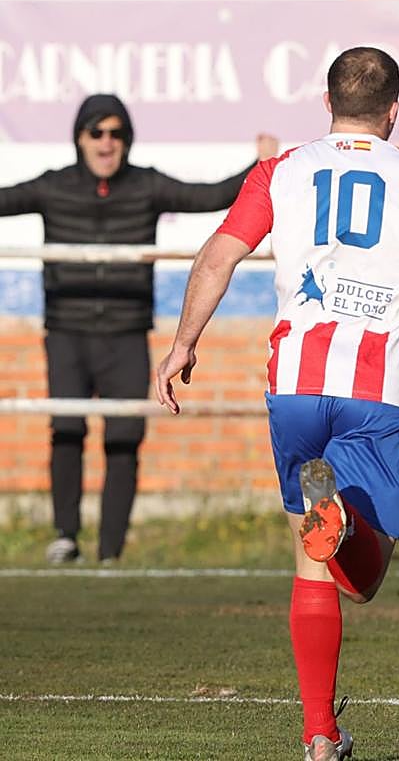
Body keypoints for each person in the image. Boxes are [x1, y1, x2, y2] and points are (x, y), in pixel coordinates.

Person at [154, 46, 399, 761]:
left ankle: (319, 737)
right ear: (395, 110)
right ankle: (339, 523)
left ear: (327, 101)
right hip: (376, 396)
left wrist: (184, 343)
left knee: (312, 563)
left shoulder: (282, 171)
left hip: (297, 393)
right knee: (361, 577)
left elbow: (216, 256)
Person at [0, 93, 277, 564]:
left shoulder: (146, 185)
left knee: (124, 436)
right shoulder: (54, 186)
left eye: (116, 133)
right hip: (66, 331)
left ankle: (110, 552)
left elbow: (208, 196)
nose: (107, 143)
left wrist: (261, 165)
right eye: (97, 133)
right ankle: (65, 537)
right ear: (80, 138)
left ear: (126, 139)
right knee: (65, 428)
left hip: (127, 332)